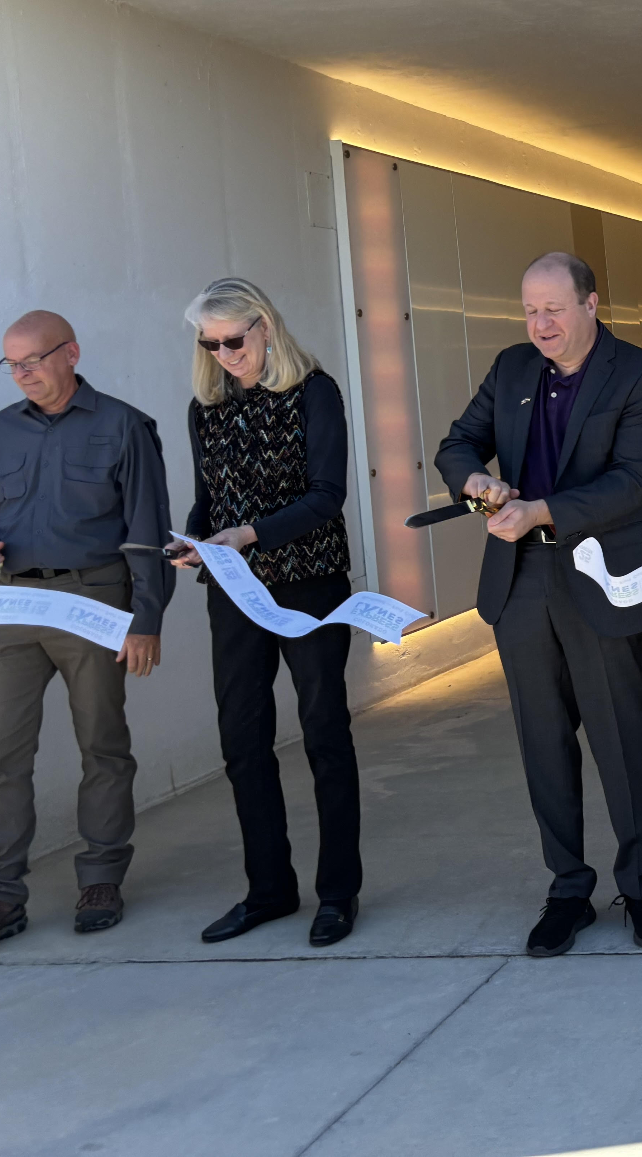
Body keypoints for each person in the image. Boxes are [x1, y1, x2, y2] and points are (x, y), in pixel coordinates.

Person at [435, 251, 642, 958]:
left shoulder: (640, 373)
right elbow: (457, 444)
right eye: (530, 309)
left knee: (621, 738)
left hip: (603, 577)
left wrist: (542, 508)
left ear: (591, 304)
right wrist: (479, 484)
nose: (540, 323)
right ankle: (567, 889)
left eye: (553, 308)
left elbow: (633, 481)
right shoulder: (513, 368)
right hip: (520, 581)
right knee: (542, 742)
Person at [0, 311, 172, 962]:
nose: (23, 374)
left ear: (70, 352)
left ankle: (100, 878)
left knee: (102, 741)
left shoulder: (123, 426)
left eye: (34, 360)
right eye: (11, 365)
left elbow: (148, 531)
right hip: (11, 602)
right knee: (1, 755)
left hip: (94, 598)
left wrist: (147, 618)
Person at [171, 279, 362, 949]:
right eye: (210, 344)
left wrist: (250, 534)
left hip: (308, 585)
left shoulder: (316, 392)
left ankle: (337, 892)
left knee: (323, 733)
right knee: (242, 740)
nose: (224, 354)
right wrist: (192, 541)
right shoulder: (207, 409)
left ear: (265, 327)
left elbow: (327, 495)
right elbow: (207, 501)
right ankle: (268, 889)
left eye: (234, 339)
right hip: (233, 592)